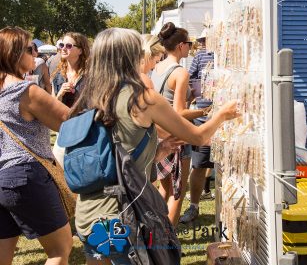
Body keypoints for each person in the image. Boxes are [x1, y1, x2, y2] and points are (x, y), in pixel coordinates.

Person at [68, 27, 239, 264]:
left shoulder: (89, 97)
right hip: (123, 215)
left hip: (88, 214)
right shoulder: (141, 98)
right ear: (130, 55)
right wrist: (221, 114)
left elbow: (110, 155)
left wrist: (157, 152)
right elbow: (198, 137)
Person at [0, 26, 72, 265]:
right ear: (15, 53)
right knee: (60, 250)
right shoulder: (26, 91)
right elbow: (69, 122)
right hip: (25, 174)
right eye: (31, 49)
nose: (36, 53)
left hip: (3, 179)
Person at [151, 22, 211, 226]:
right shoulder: (180, 72)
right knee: (178, 191)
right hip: (175, 137)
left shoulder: (157, 67)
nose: (191, 47)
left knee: (165, 187)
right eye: (189, 43)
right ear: (180, 46)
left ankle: (155, 229)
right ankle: (168, 240)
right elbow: (179, 113)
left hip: (157, 135)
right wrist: (207, 111)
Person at [180, 34, 216, 224]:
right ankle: (194, 206)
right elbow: (191, 81)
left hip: (226, 117)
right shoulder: (201, 57)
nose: (202, 44)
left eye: (203, 41)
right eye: (201, 41)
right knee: (200, 164)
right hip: (203, 117)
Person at [51, 33, 90, 166]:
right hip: (63, 131)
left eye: (68, 45)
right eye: (61, 45)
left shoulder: (91, 75)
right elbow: (52, 106)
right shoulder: (58, 76)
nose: (63, 48)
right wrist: (60, 94)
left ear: (80, 50)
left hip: (85, 132)